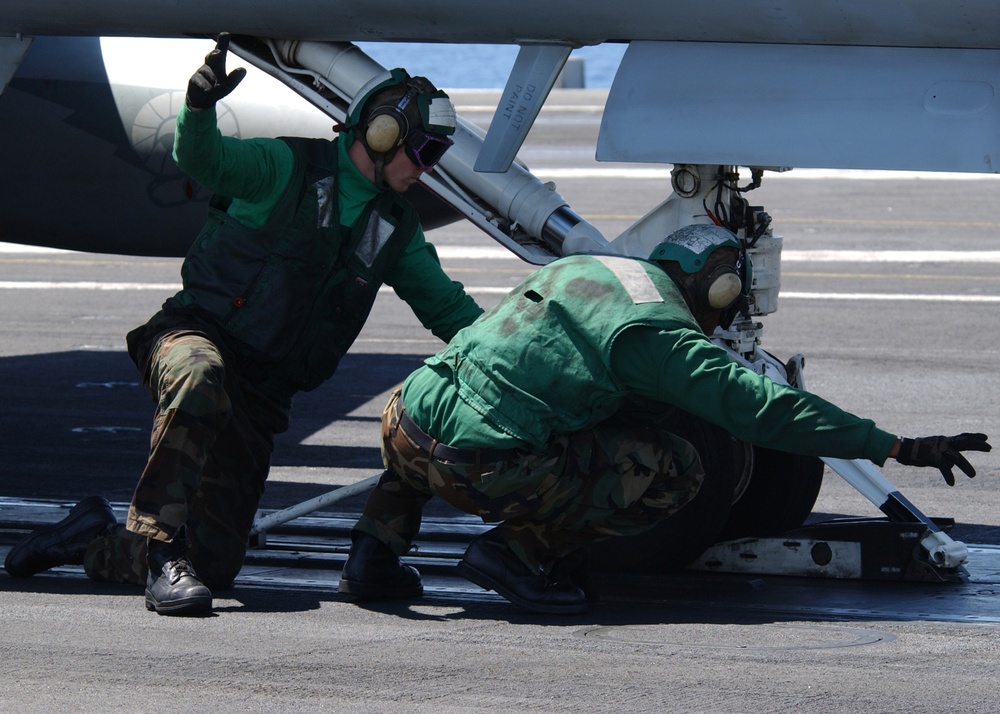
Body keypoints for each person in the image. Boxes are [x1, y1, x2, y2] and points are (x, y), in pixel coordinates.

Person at [3, 34, 483, 615]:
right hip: (195, 336)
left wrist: (515, 356)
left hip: (259, 393)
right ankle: (159, 552)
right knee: (200, 375)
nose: (427, 169)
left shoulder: (393, 229)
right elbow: (201, 161)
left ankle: (93, 539)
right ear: (381, 135)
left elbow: (448, 310)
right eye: (424, 152)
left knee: (216, 568)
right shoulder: (283, 167)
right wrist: (199, 108)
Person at [338, 223, 992, 614]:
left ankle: (373, 552)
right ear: (718, 292)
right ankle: (515, 555)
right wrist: (897, 446)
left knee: (448, 409)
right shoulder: (663, 338)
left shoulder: (585, 267)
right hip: (476, 465)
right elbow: (767, 409)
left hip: (403, 422)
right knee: (678, 469)